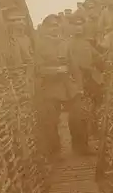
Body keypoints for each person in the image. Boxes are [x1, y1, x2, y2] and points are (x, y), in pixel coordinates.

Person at [35, 14, 91, 156]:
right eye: (52, 26)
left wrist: (79, 87)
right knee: (51, 120)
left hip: (68, 86)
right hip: (50, 87)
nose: (55, 29)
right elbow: (37, 68)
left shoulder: (64, 43)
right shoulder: (39, 45)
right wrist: (54, 70)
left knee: (78, 116)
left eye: (57, 25)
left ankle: (81, 148)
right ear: (45, 28)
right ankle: (55, 152)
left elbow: (74, 67)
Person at [69, 15, 105, 140]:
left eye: (80, 25)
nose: (78, 28)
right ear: (70, 27)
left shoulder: (86, 43)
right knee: (79, 114)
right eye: (75, 25)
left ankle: (94, 133)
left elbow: (97, 58)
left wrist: (102, 61)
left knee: (96, 106)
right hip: (76, 81)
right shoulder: (67, 45)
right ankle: (81, 144)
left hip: (90, 79)